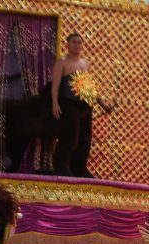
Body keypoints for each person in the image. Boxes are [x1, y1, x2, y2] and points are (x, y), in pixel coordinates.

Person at [50, 33, 114, 177]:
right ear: (67, 44)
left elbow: (90, 88)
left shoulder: (84, 64)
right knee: (70, 136)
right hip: (68, 104)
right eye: (74, 42)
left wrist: (103, 105)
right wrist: (55, 104)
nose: (77, 45)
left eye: (79, 42)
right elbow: (55, 86)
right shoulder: (62, 62)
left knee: (85, 138)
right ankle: (61, 165)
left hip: (84, 106)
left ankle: (79, 167)